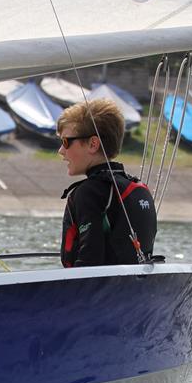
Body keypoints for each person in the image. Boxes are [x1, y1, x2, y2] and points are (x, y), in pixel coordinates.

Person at [57, 98, 157, 267]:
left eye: (66, 142)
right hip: (131, 287)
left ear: (93, 144)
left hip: (98, 290)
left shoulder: (88, 193)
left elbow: (89, 262)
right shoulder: (138, 188)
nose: (60, 151)